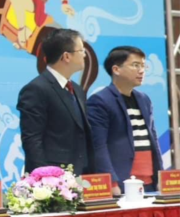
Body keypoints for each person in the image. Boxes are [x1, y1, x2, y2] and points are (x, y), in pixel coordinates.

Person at [16, 28, 93, 175]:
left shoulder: (77, 89)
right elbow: (32, 140)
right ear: (66, 56)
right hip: (53, 178)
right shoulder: (36, 89)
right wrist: (46, 177)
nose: (84, 55)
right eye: (81, 50)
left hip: (80, 174)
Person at [89, 46, 163, 193]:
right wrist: (111, 182)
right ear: (116, 69)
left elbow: (153, 140)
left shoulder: (144, 99)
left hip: (150, 181)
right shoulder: (100, 101)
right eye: (135, 65)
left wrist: (161, 176)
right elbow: (98, 145)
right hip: (123, 182)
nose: (141, 71)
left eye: (143, 66)